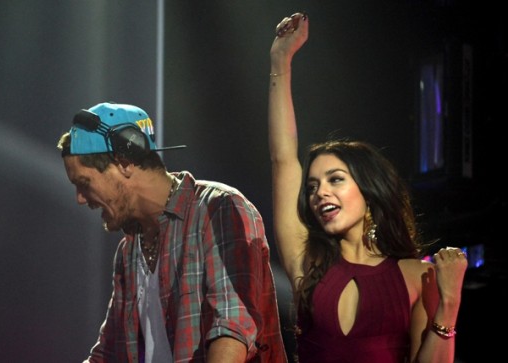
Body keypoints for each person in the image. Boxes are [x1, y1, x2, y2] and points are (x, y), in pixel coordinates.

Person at [267, 13, 468, 363]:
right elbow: (283, 158)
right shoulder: (307, 264)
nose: (319, 193)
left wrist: (448, 305)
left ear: (368, 191)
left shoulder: (419, 276)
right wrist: (280, 59)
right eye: (312, 186)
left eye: (335, 179)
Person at [57, 102, 288, 363]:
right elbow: (109, 353)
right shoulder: (129, 249)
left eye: (83, 183)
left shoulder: (218, 208)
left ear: (124, 162)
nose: (79, 198)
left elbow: (232, 328)